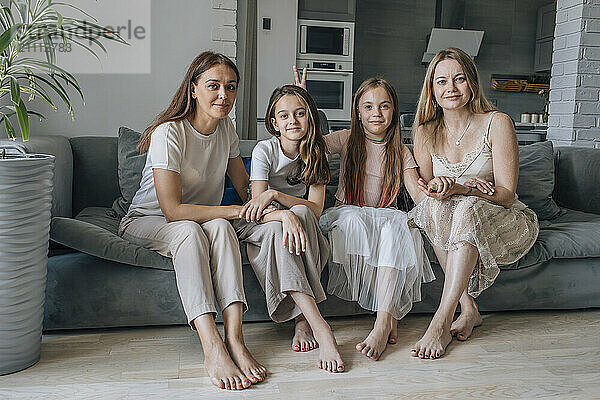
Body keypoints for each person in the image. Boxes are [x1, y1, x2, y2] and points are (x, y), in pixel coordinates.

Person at [118, 51, 267, 390]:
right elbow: (173, 210)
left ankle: (236, 340)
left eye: (231, 88)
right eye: (213, 86)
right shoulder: (169, 132)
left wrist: (265, 206)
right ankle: (211, 345)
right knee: (189, 230)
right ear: (193, 90)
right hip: (148, 220)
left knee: (220, 228)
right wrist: (235, 210)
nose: (223, 96)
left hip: (204, 220)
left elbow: (243, 185)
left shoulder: (226, 128)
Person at [409, 47, 539, 359]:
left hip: (503, 218)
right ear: (432, 90)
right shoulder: (425, 131)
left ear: (472, 83)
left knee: (464, 207)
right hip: (454, 218)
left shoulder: (497, 122)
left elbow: (506, 194)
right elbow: (429, 193)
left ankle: (442, 319)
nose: (450, 88)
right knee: (434, 207)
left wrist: (464, 188)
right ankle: (468, 308)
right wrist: (443, 187)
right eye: (441, 82)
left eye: (459, 79)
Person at [317, 75, 435, 361]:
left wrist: (437, 196)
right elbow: (311, 145)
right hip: (347, 213)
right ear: (358, 111)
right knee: (356, 222)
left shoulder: (402, 150)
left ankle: (382, 322)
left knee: (398, 227)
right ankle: (390, 311)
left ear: (394, 110)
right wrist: (305, 105)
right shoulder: (346, 138)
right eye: (368, 107)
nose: (376, 114)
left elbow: (416, 193)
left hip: (385, 217)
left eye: (384, 106)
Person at [235, 84, 345, 373]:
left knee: (300, 213)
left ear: (310, 117)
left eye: (299, 114)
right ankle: (317, 325)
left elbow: (316, 209)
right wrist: (283, 214)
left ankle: (301, 321)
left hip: (299, 223)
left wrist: (279, 197)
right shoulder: (264, 150)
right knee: (286, 223)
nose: (292, 121)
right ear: (274, 123)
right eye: (284, 116)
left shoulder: (316, 152)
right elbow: (257, 207)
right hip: (260, 223)